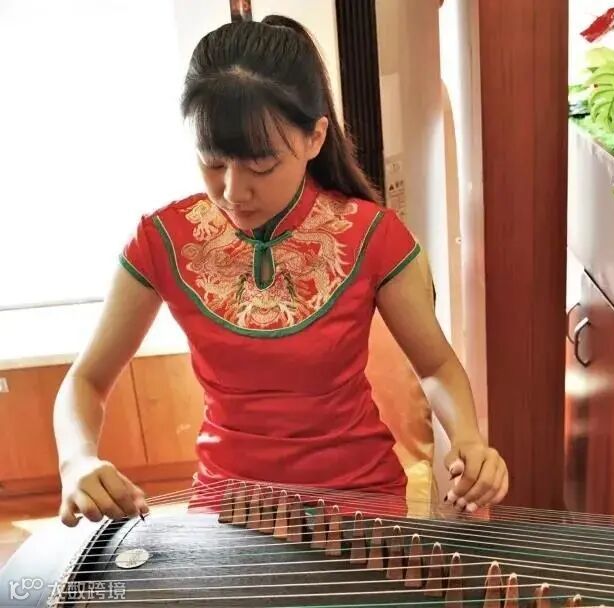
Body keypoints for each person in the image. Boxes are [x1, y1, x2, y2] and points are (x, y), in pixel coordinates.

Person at [53, 15, 508, 527]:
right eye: (212, 162)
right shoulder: (161, 239)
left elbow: (436, 366)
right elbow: (86, 380)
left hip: (357, 504)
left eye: (261, 166)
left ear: (315, 138)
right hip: (230, 508)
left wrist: (469, 439)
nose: (232, 191)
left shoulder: (371, 235)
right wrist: (77, 461)